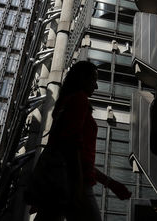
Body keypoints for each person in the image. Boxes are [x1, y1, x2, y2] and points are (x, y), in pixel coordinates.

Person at [35, 61, 131, 221]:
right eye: (93, 79)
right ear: (82, 79)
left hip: (59, 182)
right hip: (74, 183)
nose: (96, 86)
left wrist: (110, 183)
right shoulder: (79, 100)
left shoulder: (65, 103)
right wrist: (79, 185)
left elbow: (75, 152)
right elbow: (73, 147)